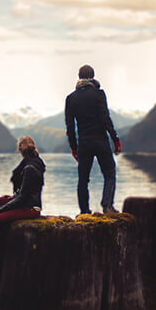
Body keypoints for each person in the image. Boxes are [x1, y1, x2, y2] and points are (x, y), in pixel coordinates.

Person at [65, 64, 122, 215]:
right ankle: (107, 206)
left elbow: (70, 126)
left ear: (79, 77)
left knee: (83, 179)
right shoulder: (98, 94)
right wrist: (115, 138)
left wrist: (73, 147)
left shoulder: (71, 99)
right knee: (109, 173)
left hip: (84, 143)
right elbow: (105, 118)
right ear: (92, 76)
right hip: (100, 140)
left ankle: (84, 212)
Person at [0, 136, 45, 253]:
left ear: (21, 151)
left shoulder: (29, 168)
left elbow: (24, 197)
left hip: (30, 208)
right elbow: (25, 192)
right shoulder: (32, 162)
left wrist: (1, 210)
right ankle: (2, 233)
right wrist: (12, 198)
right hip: (24, 202)